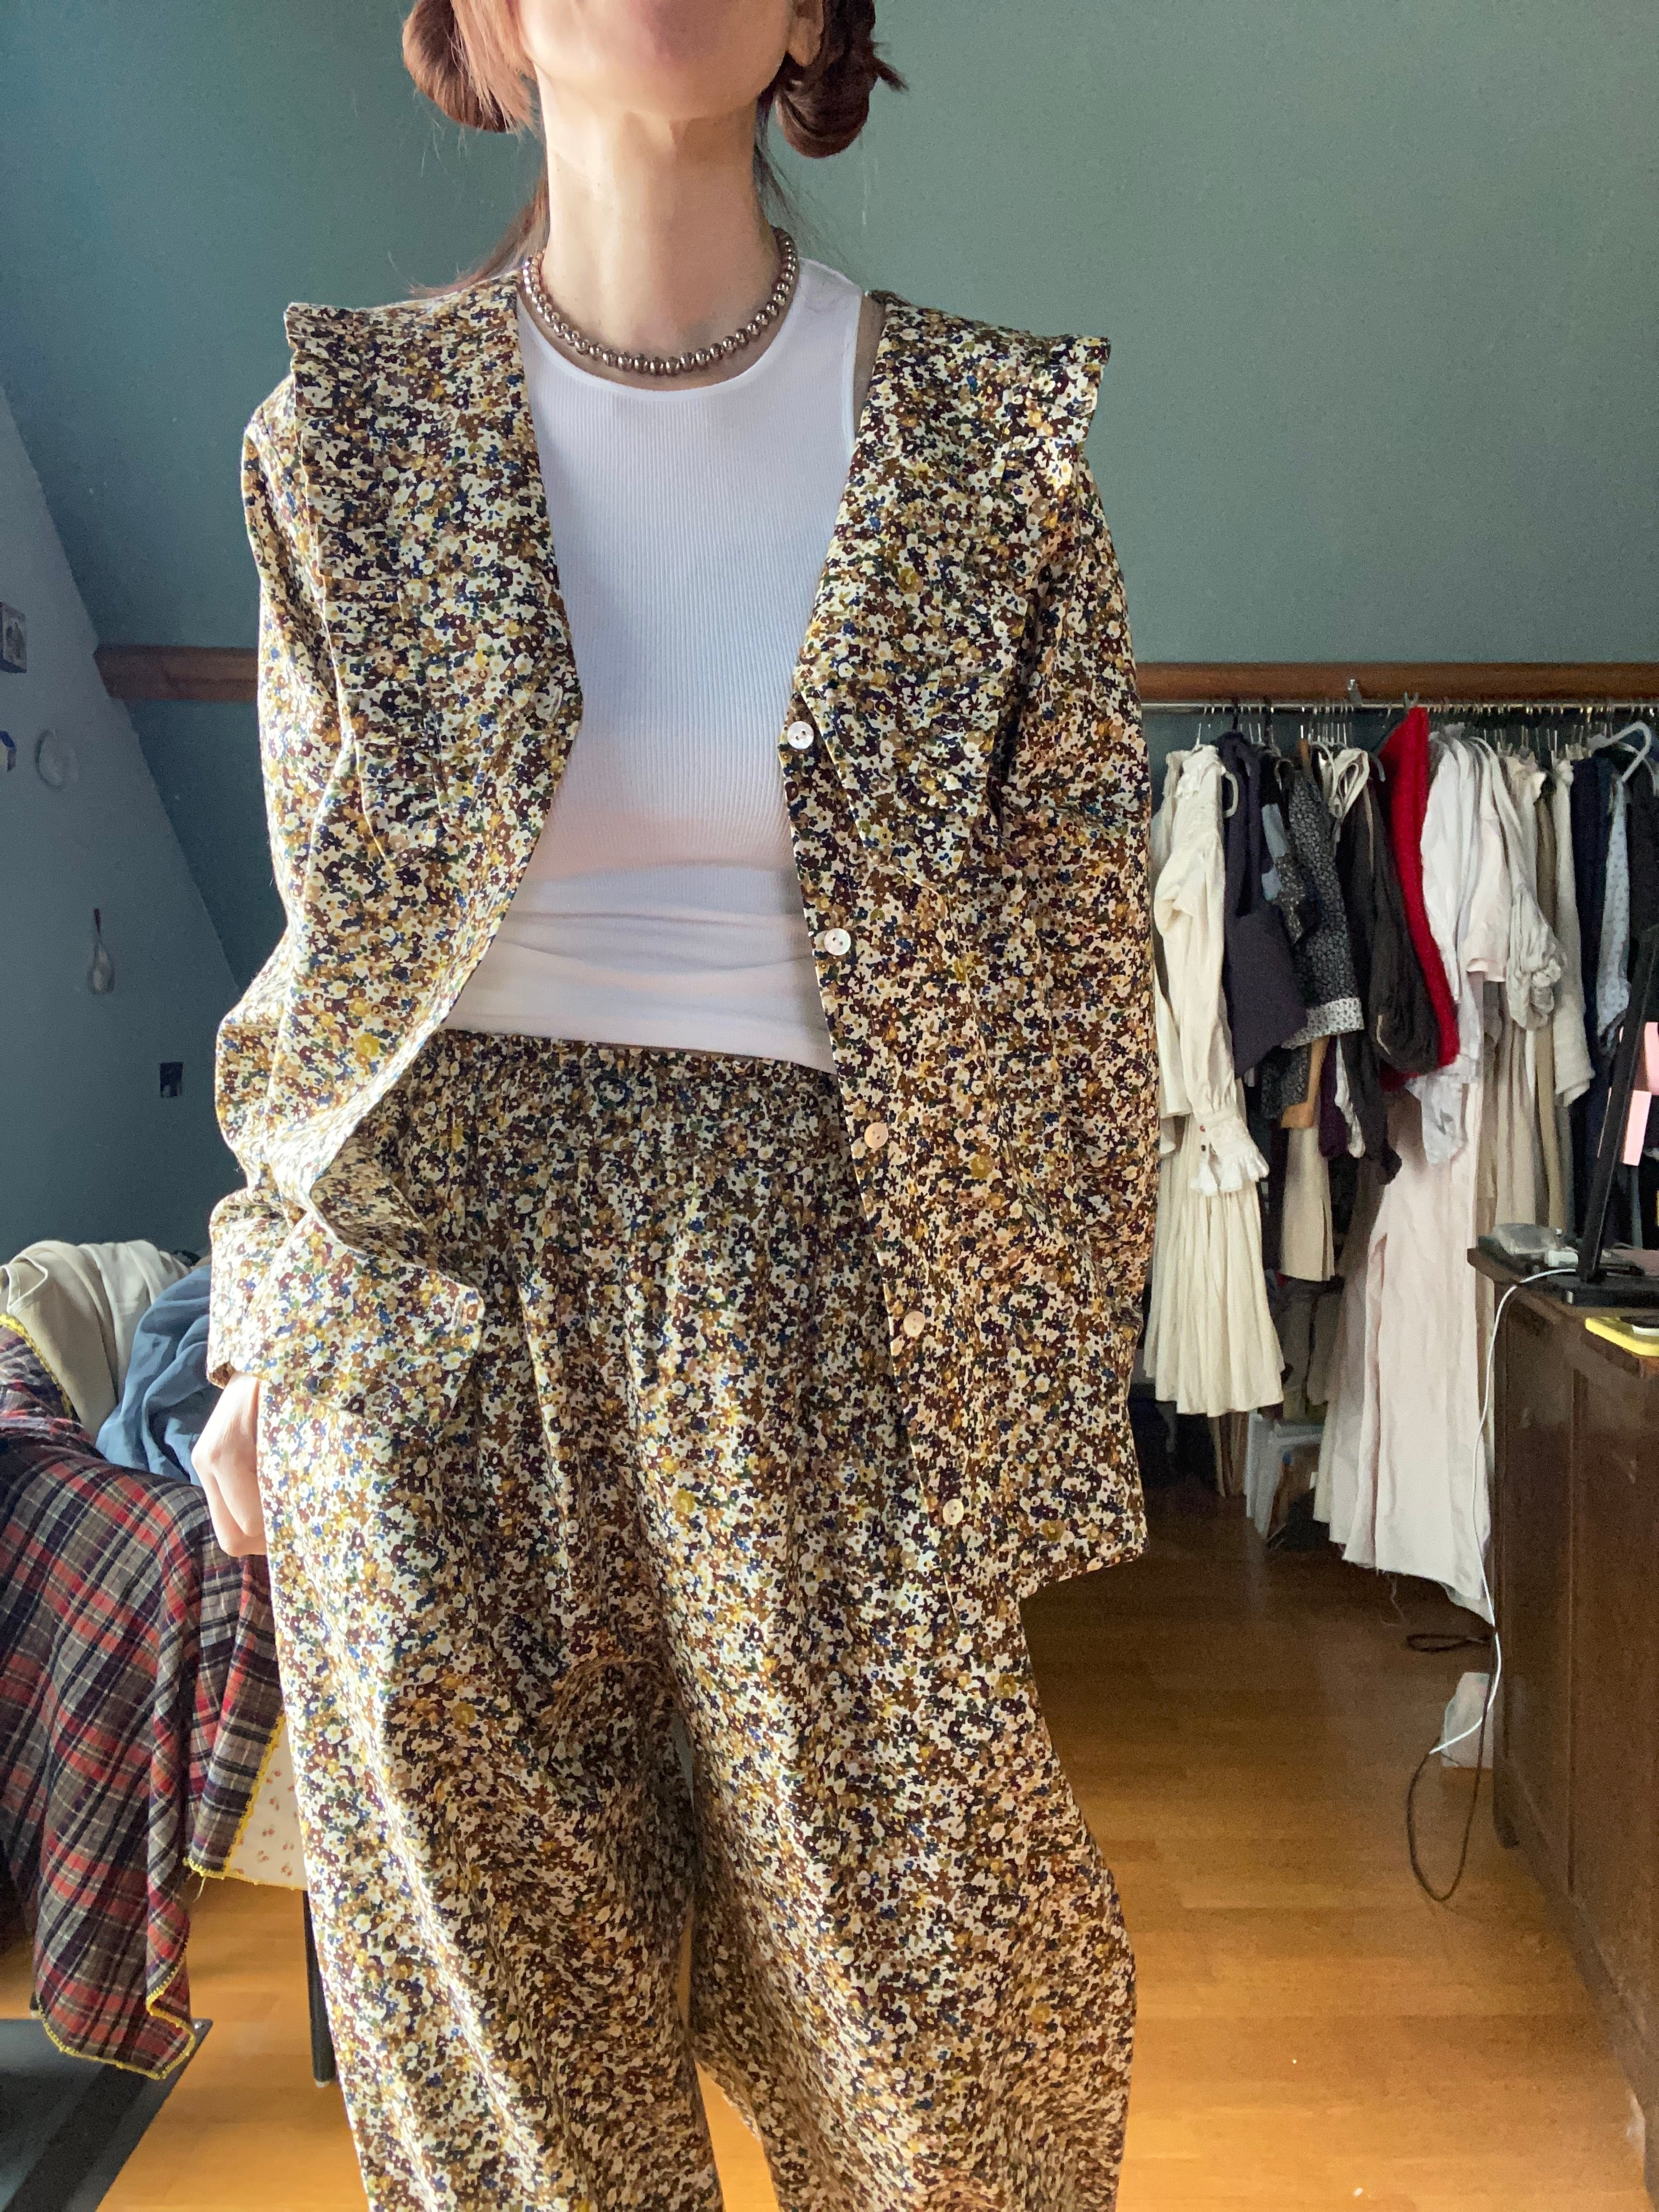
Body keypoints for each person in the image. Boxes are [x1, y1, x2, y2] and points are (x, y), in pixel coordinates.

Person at [193, 0, 1158, 2203]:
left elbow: (1080, 989)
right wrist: (263, 1311)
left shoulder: (985, 455)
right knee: (516, 2142)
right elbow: (326, 961)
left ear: (814, 17)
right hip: (428, 1320)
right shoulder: (346, 443)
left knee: (963, 2090)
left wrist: (1010, 1404)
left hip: (830, 1299)